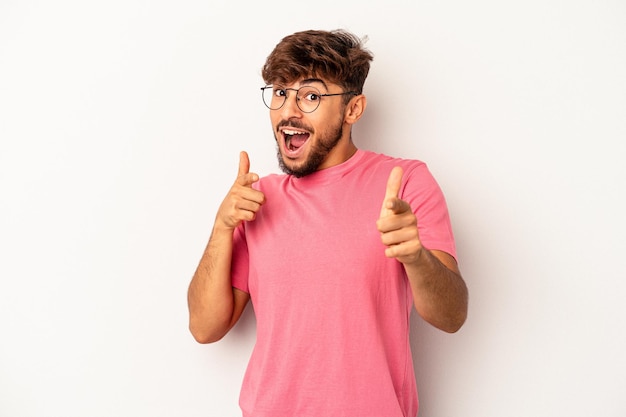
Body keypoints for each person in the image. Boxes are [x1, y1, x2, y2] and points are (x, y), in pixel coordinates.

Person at [187, 29, 468, 417]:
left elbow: (452, 316)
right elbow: (204, 328)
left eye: (311, 96)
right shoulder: (257, 198)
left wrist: (416, 257)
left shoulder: (405, 182)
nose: (289, 110)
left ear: (353, 109)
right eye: (281, 92)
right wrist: (222, 227)